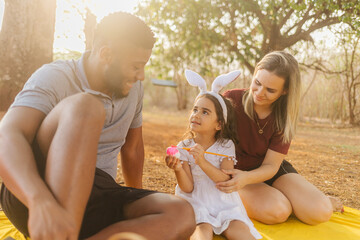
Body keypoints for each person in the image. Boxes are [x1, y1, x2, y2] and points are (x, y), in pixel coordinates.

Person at [0, 12, 195, 240]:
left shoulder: (132, 88)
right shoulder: (55, 76)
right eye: (135, 66)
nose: (141, 75)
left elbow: (131, 150)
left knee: (181, 213)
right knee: (87, 107)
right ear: (106, 54)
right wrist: (38, 199)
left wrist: (136, 196)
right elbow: (7, 135)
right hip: (37, 190)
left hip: (99, 193)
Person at [217, 51, 342, 226]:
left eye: (270, 90)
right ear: (254, 75)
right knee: (278, 211)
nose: (259, 93)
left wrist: (249, 177)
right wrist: (240, 178)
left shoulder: (283, 117)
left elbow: (271, 165)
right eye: (257, 83)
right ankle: (281, 200)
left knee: (321, 211)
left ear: (285, 91)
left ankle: (307, 200)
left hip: (268, 169)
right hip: (234, 173)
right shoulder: (231, 99)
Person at [165, 70, 262, 240]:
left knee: (238, 230)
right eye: (195, 109)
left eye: (205, 112)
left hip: (223, 202)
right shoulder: (184, 147)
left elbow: (225, 180)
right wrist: (178, 168)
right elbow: (187, 188)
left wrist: (202, 162)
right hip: (196, 201)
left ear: (219, 124)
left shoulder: (225, 146)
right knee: (203, 229)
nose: (196, 114)